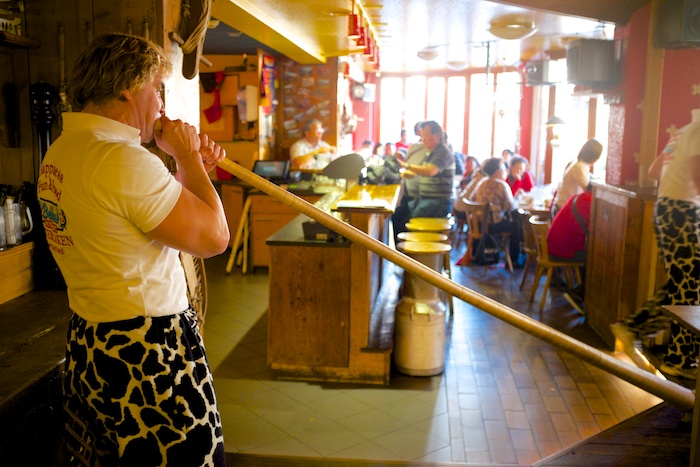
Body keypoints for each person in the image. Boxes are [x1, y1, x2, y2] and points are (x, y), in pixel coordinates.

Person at [36, 34, 229, 465]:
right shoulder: (121, 159)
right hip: (148, 350)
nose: (160, 105)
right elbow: (214, 238)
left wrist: (189, 168)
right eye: (156, 90)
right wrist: (189, 158)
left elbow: (152, 227)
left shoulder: (62, 152)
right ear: (130, 86)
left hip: (94, 342)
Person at [612, 109, 700, 379]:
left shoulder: (685, 129)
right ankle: (678, 359)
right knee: (689, 288)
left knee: (683, 285)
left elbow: (654, 169)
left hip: (667, 208)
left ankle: (640, 332)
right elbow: (698, 174)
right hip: (683, 211)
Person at [547, 184, 593, 314]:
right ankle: (578, 294)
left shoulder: (577, 198)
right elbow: (595, 227)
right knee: (594, 259)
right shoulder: (587, 203)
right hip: (562, 250)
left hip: (555, 247)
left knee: (591, 255)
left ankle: (579, 292)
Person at [395, 120, 455, 219]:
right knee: (398, 213)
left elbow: (430, 171)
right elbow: (422, 172)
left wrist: (406, 165)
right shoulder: (430, 153)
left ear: (437, 136)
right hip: (423, 199)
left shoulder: (443, 153)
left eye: (425, 136)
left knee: (411, 219)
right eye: (421, 136)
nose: (423, 139)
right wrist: (406, 174)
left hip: (438, 202)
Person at [470, 157, 522, 267]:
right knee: (517, 226)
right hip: (494, 224)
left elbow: (471, 199)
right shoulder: (501, 185)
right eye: (504, 170)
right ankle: (513, 260)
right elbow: (510, 206)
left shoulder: (481, 183)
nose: (506, 173)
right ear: (498, 172)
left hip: (479, 223)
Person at [552, 139, 603, 216]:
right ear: (593, 156)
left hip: (562, 207)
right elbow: (588, 191)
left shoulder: (580, 166)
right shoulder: (580, 167)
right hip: (563, 209)